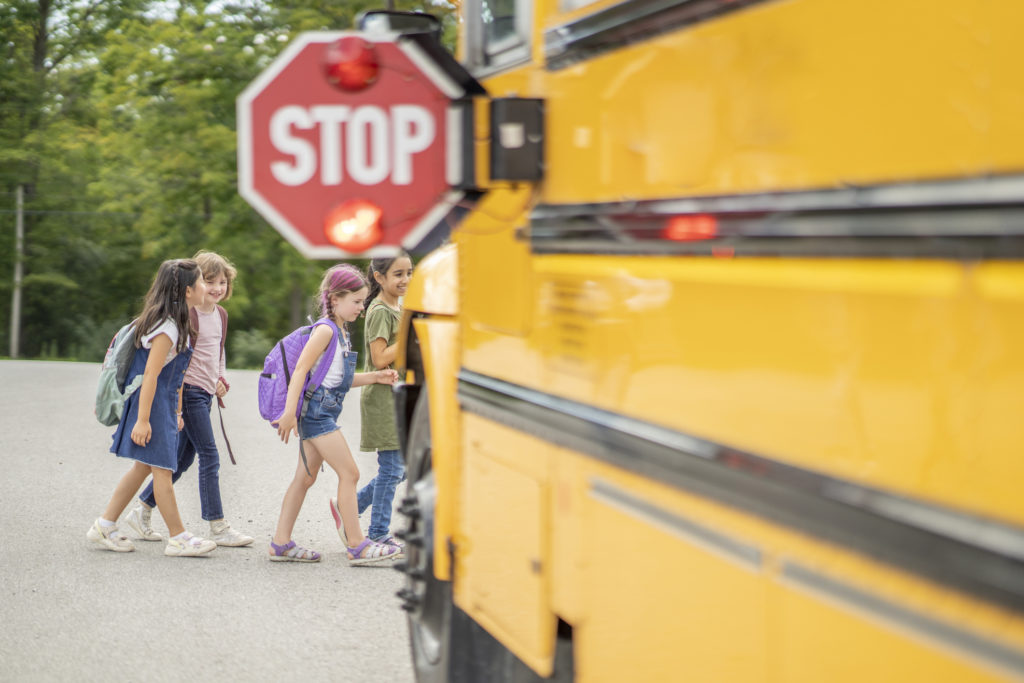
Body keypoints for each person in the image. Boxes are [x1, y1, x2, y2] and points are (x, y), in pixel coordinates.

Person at [269, 264, 403, 565]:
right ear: (334, 299)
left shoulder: (341, 332)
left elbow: (335, 380)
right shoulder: (326, 330)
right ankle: (358, 545)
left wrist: (374, 377)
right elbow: (301, 370)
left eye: (363, 301)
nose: (361, 307)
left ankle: (280, 542)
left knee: (304, 479)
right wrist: (290, 413)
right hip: (317, 414)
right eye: (356, 301)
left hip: (322, 408)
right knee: (350, 473)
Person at [86, 259, 217, 557]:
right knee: (162, 472)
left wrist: (178, 410)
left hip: (164, 404)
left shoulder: (177, 323)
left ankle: (105, 524)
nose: (206, 287)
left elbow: (177, 375)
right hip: (152, 404)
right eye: (201, 282)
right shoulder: (167, 328)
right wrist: (143, 420)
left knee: (143, 467)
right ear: (187, 291)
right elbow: (151, 375)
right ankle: (179, 537)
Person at [125, 251, 253, 547]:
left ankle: (142, 509)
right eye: (209, 281)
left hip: (207, 392)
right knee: (210, 455)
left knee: (181, 460)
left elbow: (218, 352)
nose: (217, 288)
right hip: (190, 393)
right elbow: (178, 363)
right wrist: (178, 408)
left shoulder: (221, 315)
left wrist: (221, 378)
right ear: (195, 285)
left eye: (222, 282)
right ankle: (218, 526)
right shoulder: (189, 315)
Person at [343, 253, 413, 554]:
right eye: (398, 274)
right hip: (383, 397)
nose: (405, 280)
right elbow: (381, 358)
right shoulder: (380, 310)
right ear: (379, 277)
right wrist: (412, 334)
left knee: (402, 469)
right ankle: (378, 533)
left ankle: (348, 507)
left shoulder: (399, 307)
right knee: (392, 468)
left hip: (401, 396)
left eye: (409, 273)